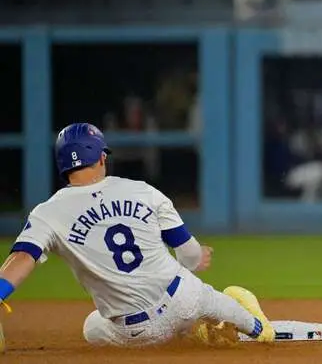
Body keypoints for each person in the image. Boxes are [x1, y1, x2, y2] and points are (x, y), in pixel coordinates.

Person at [0, 123, 275, 347]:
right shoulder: (142, 190)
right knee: (208, 298)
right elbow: (190, 257)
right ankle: (256, 326)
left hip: (139, 332)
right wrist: (195, 257)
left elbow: (24, 257)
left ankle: (200, 328)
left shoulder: (48, 213)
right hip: (186, 298)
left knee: (92, 326)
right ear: (102, 157)